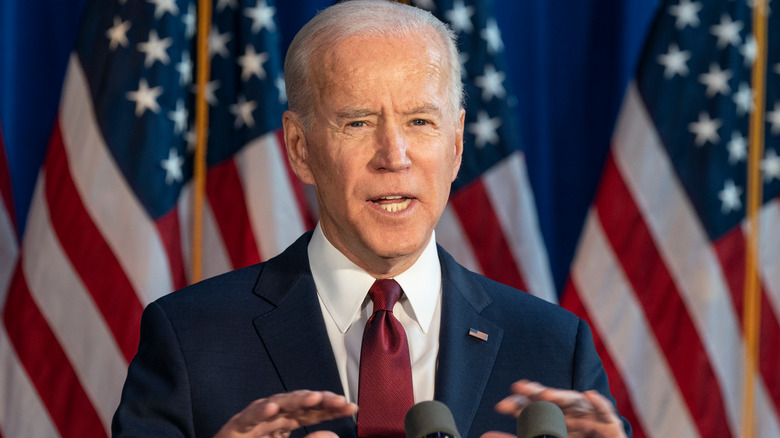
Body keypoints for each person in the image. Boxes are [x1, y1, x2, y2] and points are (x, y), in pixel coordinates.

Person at [112, 1, 631, 437]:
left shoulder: (554, 348)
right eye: (358, 122)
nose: (394, 155)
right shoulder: (191, 339)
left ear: (455, 146)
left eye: (420, 122)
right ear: (300, 148)